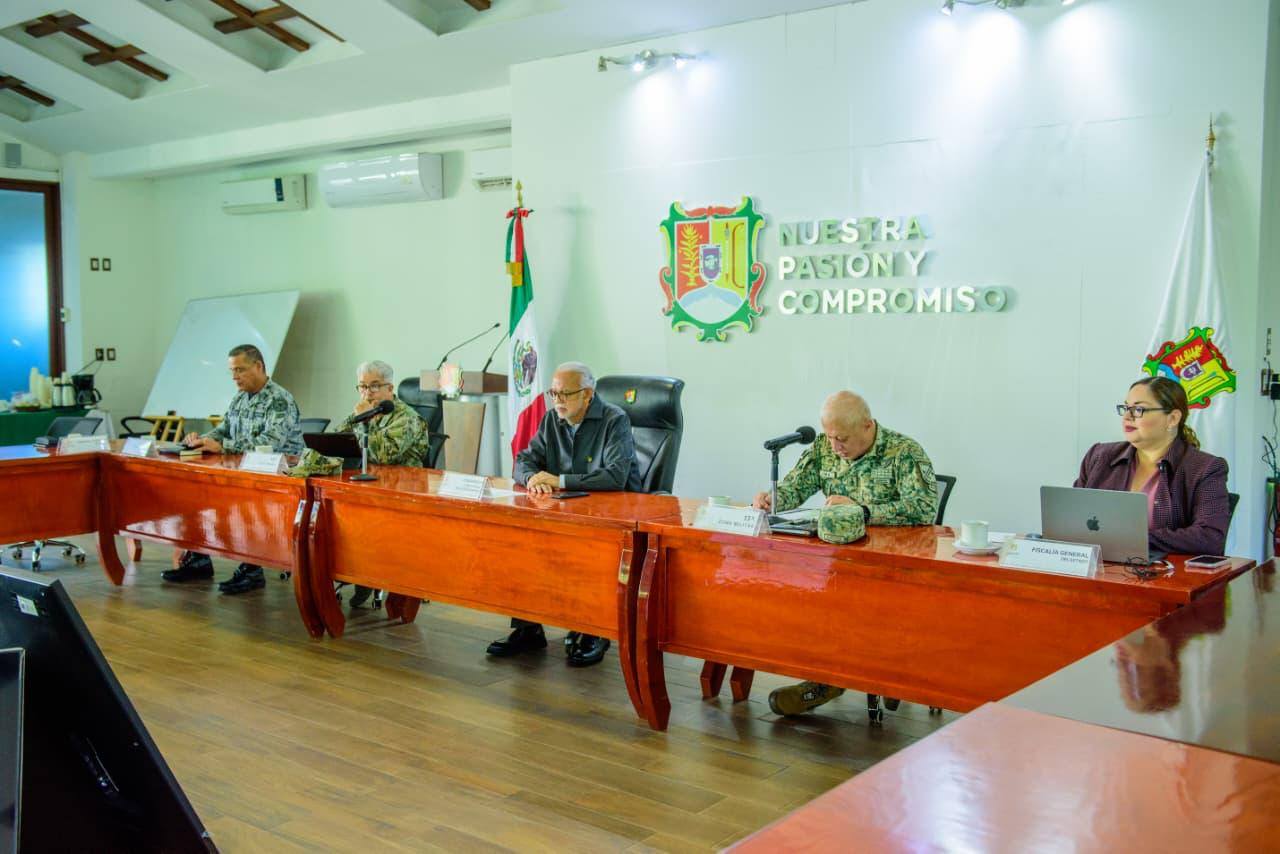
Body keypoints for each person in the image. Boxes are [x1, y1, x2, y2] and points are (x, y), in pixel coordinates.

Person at [752, 390, 938, 716]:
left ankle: (882, 673)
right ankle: (827, 678)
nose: (835, 446)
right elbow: (797, 486)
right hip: (835, 562)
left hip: (890, 566)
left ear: (867, 426)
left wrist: (862, 511)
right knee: (796, 594)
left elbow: (923, 508)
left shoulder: (904, 453)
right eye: (830, 437)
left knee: (849, 603)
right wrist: (772, 499)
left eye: (843, 439)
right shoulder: (824, 448)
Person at [486, 361, 641, 667]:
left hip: (610, 515)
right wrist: (532, 478)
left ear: (588, 394)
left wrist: (559, 481)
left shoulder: (615, 420)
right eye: (553, 393)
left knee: (588, 553)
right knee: (521, 541)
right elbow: (523, 460)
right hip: (564, 510)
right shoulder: (551, 420)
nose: (557, 400)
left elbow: (615, 477)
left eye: (565, 394)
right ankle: (528, 628)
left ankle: (594, 632)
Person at [163, 344, 303, 595]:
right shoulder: (240, 397)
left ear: (258, 366)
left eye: (240, 370)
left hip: (277, 478)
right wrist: (202, 440)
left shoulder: (279, 400)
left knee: (245, 502)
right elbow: (224, 429)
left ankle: (252, 570)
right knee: (194, 490)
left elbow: (269, 444)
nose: (234, 377)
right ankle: (198, 559)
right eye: (232, 371)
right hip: (241, 471)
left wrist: (222, 446)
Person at [1075, 376, 1230, 556]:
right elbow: (1073, 518)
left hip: (1164, 570)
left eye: (1138, 409)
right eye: (1126, 408)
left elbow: (1210, 538)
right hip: (1098, 566)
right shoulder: (1099, 456)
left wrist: (1135, 539)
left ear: (1172, 418)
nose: (1127, 416)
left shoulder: (1205, 468)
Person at [334, 360, 430, 606]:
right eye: (363, 386)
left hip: (401, 492)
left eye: (375, 386)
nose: (368, 393)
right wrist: (358, 419)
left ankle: (371, 575)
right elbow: (335, 439)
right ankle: (357, 572)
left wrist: (361, 420)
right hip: (368, 486)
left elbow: (385, 455)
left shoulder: (407, 417)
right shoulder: (367, 410)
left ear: (390, 388)